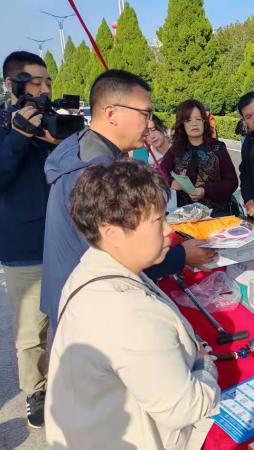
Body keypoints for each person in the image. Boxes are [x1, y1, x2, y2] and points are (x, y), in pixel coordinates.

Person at [45, 160, 220, 449]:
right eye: (158, 220)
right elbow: (185, 408)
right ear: (111, 232)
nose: (169, 230)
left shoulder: (92, 268)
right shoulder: (125, 310)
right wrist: (204, 364)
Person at [42, 70, 217, 331]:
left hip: (70, 295)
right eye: (145, 114)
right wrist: (182, 255)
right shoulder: (96, 173)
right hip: (93, 308)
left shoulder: (79, 145)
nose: (150, 124)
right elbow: (118, 253)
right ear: (112, 113)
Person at [0, 51, 57, 428]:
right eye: (35, 82)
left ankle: (72, 377)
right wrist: (19, 136)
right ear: (11, 85)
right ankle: (36, 389)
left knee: (71, 318)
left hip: (65, 237)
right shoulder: (6, 129)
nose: (44, 89)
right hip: (23, 247)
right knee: (31, 332)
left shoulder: (54, 123)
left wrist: (59, 140)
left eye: (47, 81)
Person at [160, 99, 238, 214]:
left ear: (204, 122)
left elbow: (232, 182)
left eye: (198, 119)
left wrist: (205, 191)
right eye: (188, 120)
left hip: (216, 214)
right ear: (182, 124)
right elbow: (160, 171)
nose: (194, 123)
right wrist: (171, 182)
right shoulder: (176, 149)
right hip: (184, 215)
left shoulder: (218, 147)